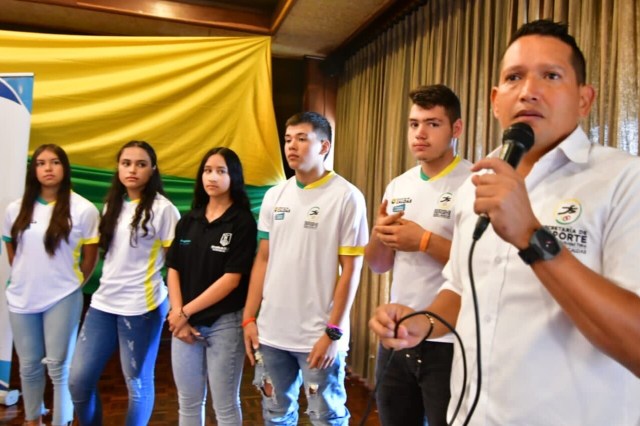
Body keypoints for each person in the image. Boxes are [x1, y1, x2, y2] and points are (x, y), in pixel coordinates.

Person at [370, 19, 640, 425]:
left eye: (551, 75)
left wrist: (532, 237)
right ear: (496, 100)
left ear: (585, 99)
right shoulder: (475, 185)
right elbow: (460, 286)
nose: (529, 90)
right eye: (514, 77)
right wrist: (421, 323)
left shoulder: (624, 181)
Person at [243, 112, 369, 425]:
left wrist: (333, 332)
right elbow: (263, 258)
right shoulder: (275, 195)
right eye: (288, 140)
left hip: (318, 336)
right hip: (272, 333)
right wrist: (249, 316)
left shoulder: (347, 196)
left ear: (324, 146)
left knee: (324, 416)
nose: (292, 146)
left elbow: (352, 271)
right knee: (275, 413)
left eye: (302, 138)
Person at [364, 84, 471, 426]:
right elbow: (378, 265)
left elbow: (483, 265)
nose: (420, 133)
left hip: (450, 341)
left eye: (432, 123)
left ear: (456, 129)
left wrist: (424, 240)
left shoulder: (474, 182)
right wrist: (380, 236)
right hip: (397, 336)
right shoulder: (399, 185)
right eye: (413, 124)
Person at [69, 140, 180, 425]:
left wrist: (178, 307)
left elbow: (176, 263)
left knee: (138, 385)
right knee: (78, 382)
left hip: (142, 307)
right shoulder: (111, 205)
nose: (132, 169)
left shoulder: (164, 210)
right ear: (118, 167)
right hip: (103, 305)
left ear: (152, 170)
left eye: (141, 164)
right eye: (126, 163)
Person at [2, 144, 100, 426]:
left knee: (59, 366)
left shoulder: (83, 209)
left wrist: (71, 283)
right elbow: (13, 252)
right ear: (33, 170)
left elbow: (91, 256)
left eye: (55, 162)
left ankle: (62, 420)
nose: (48, 168)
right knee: (30, 365)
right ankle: (33, 420)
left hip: (63, 296)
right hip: (22, 297)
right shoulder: (15, 209)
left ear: (65, 168)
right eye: (41, 163)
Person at [165, 147, 257, 425]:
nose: (212, 177)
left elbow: (232, 279)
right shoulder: (188, 219)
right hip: (185, 323)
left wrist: (183, 313)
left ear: (234, 177)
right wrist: (178, 313)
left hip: (224, 322)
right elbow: (173, 269)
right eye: (207, 170)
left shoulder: (242, 221)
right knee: (189, 403)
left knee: (225, 405)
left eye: (221, 171)